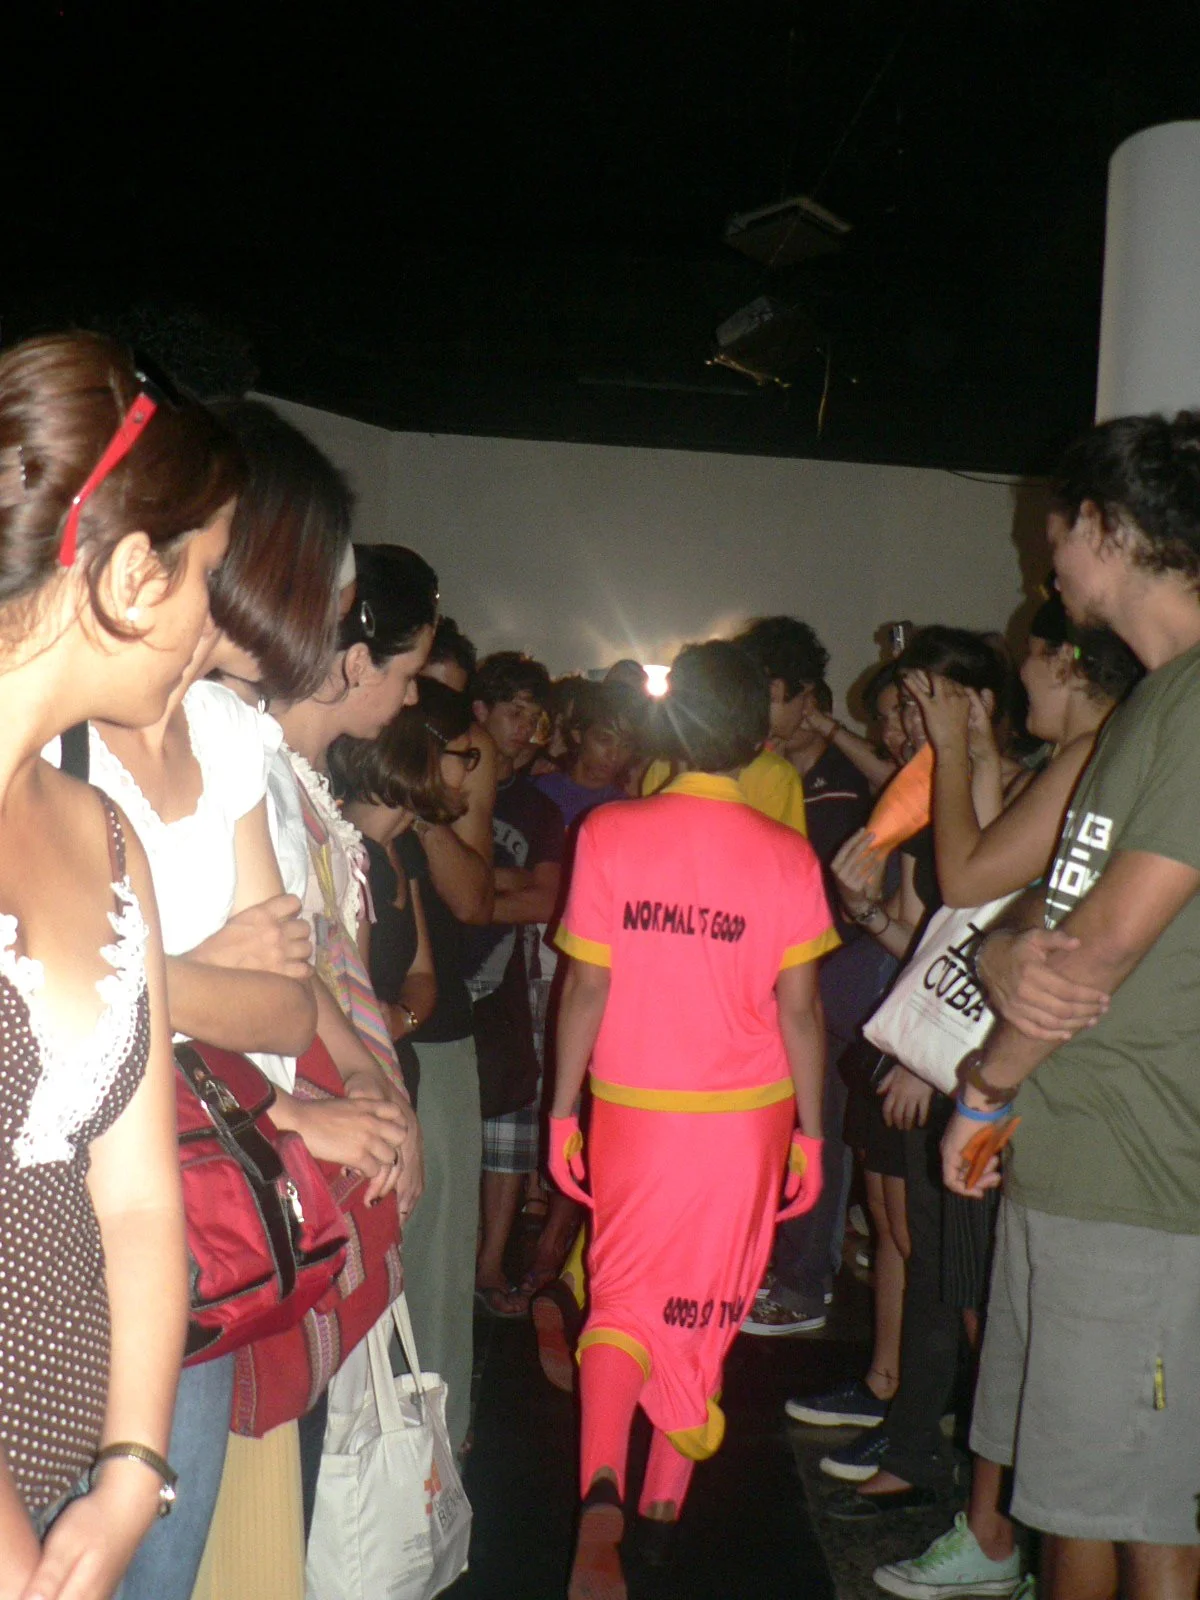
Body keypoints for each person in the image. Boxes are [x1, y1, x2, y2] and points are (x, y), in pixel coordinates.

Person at [943, 414, 1200, 1600]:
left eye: (1057, 533)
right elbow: (1047, 912)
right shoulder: (1153, 702)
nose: (1047, 560)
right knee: (1069, 1499)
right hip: (1082, 1148)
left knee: (1141, 1514)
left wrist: (984, 1085)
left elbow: (1097, 949)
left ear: (1108, 525)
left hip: (1145, 1172)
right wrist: (1004, 954)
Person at [0, 331, 238, 1600]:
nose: (214, 623)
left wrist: (133, 1471)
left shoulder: (102, 833)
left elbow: (141, 1197)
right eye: (212, 575)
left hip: (71, 1468)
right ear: (137, 572)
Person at [870, 593, 1141, 1599]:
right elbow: (988, 880)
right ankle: (994, 1531)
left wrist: (950, 744)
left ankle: (997, 1536)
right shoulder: (1080, 757)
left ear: (1067, 662)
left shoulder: (1099, 755)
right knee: (998, 1309)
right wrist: (976, 753)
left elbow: (964, 875)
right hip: (1029, 1074)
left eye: (1031, 655)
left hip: (1035, 1080)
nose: (1018, 675)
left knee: (1004, 1316)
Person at [552, 640, 837, 1600]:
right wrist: (812, 1135)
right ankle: (662, 1517)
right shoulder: (788, 855)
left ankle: (601, 1485)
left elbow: (585, 988)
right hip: (745, 1121)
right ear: (759, 737)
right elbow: (801, 1012)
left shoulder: (608, 832)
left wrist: (562, 1111)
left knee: (621, 1297)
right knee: (701, 1310)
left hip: (634, 1109)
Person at [815, 627, 1018, 1506]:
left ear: (978, 704)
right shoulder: (936, 798)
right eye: (901, 705)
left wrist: (933, 1063)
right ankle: (921, 1440)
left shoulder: (1021, 800)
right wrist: (864, 910)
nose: (905, 721)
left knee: (966, 1282)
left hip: (975, 1069)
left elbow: (998, 940)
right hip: (932, 1056)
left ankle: (982, 1484)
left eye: (921, 701)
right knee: (924, 1258)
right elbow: (921, 939)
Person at [466, 652, 565, 1316]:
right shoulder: (448, 781)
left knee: (508, 1124)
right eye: (514, 712)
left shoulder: (536, 805)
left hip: (504, 981)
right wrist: (498, 885)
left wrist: (474, 894)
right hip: (444, 976)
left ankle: (490, 1264)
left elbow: (545, 901)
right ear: (481, 711)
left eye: (534, 716)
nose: (525, 727)